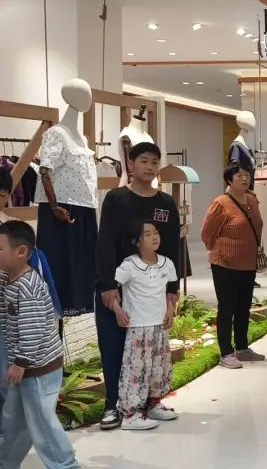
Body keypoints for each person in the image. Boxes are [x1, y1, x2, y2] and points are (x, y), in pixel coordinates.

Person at [95, 142, 181, 431]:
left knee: (152, 349)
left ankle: (150, 403)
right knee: (114, 345)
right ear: (130, 165)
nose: (150, 167)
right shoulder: (116, 199)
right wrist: (107, 285)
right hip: (119, 286)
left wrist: (172, 290)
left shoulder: (166, 203)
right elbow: (106, 242)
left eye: (155, 162)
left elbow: (171, 247)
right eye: (143, 161)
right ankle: (113, 405)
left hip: (152, 290)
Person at [0, 220, 79, 468]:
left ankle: (65, 464)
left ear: (21, 252)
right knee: (15, 421)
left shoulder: (29, 287)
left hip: (38, 369)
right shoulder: (8, 278)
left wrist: (20, 363)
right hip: (25, 368)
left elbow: (32, 331)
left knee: (42, 424)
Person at [113, 220, 179, 430]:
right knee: (136, 369)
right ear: (136, 241)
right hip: (138, 328)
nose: (154, 237)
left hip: (159, 326)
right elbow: (110, 288)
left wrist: (170, 310)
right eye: (148, 234)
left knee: (158, 367)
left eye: (156, 232)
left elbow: (171, 290)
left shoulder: (167, 263)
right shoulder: (129, 265)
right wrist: (117, 310)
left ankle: (153, 404)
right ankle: (130, 414)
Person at [201, 164, 267, 369]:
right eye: (239, 175)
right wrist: (219, 251)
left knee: (243, 306)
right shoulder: (221, 203)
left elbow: (257, 226)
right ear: (229, 179)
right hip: (225, 263)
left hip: (248, 262)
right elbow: (207, 233)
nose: (244, 179)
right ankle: (226, 352)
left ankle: (242, 347)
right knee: (227, 307)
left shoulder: (252, 200)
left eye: (247, 175)